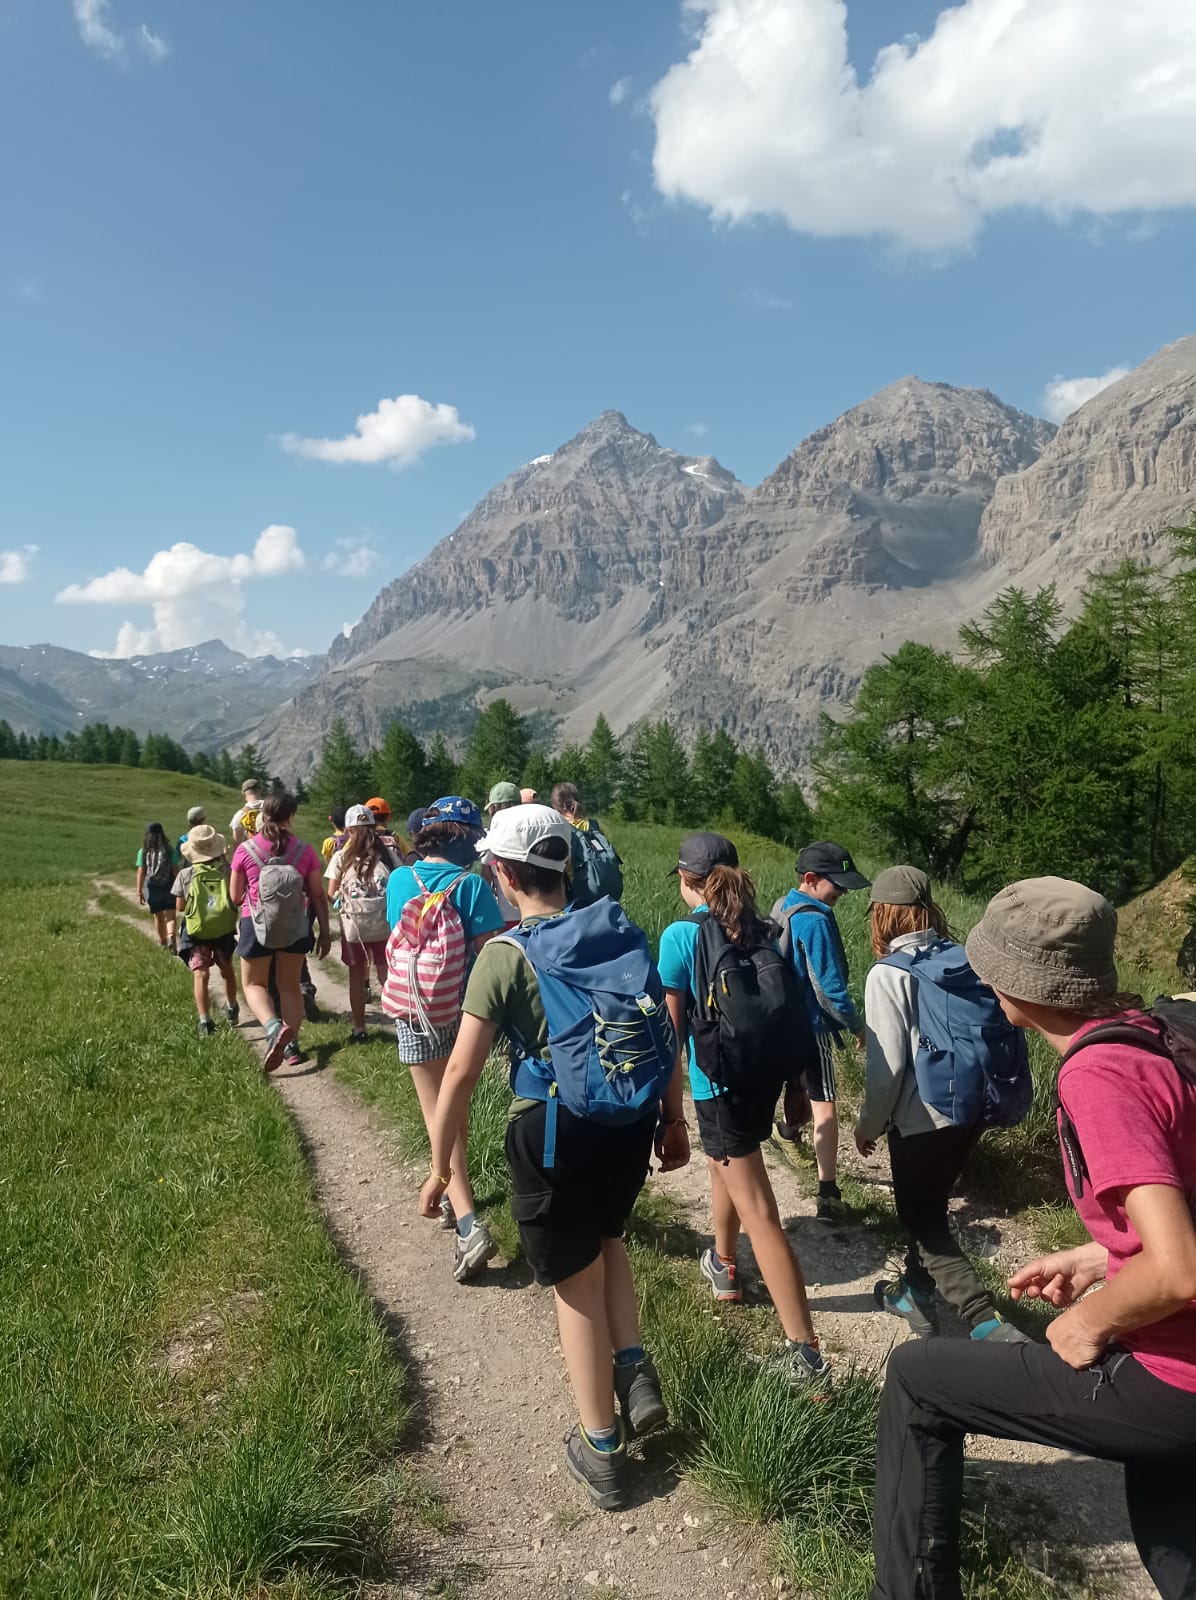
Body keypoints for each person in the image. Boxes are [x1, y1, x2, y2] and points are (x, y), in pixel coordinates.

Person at [870, 877, 1196, 1600]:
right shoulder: (1156, 1036)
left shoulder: (1099, 1074)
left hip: (1176, 1376)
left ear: (1020, 985)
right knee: (1176, 1547)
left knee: (919, 1380)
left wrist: (1088, 1320)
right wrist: (1102, 1255)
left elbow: (1178, 1269)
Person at [419, 804, 688, 1510]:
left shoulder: (505, 956)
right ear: (565, 866)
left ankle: (601, 1447)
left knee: (573, 1281)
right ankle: (633, 1369)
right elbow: (662, 1030)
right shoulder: (618, 928)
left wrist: (441, 1169)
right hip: (627, 1123)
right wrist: (672, 1117)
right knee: (609, 1239)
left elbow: (459, 1073)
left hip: (552, 1132)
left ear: (505, 875)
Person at [658, 832, 829, 1385]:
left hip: (718, 1089)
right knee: (724, 1167)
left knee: (761, 1212)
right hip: (764, 1080)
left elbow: (672, 1037)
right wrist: (799, 1087)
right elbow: (791, 1013)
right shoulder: (765, 929)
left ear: (686, 881)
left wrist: (670, 1115)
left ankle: (805, 1353)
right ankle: (724, 1264)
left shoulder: (682, 937)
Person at [856, 867, 1028, 1343]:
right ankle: (914, 1293)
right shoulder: (964, 958)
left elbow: (886, 1069)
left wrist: (868, 1125)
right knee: (930, 1201)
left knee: (922, 1219)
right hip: (971, 1108)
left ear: (881, 914)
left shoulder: (889, 973)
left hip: (922, 1117)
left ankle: (987, 1324)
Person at [385, 796, 504, 1276]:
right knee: (454, 1109)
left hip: (414, 1009)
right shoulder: (472, 886)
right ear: (467, 841)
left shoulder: (399, 879)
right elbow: (490, 955)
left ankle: (469, 1226)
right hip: (463, 1010)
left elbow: (399, 938)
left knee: (438, 1112)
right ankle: (459, 1198)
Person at [771, 841, 870, 1221]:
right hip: (813, 1027)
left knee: (795, 1085)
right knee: (825, 1103)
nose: (842, 892)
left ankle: (786, 1133)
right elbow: (829, 991)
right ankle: (828, 1194)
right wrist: (857, 1026)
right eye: (837, 885)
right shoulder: (815, 921)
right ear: (811, 879)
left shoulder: (782, 905)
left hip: (781, 1022)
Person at [230, 792, 330, 1072]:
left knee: (254, 985)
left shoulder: (245, 850)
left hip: (255, 924)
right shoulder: (304, 850)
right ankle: (292, 1046)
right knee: (290, 986)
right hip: (294, 925)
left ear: (263, 815)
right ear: (291, 816)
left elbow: (235, 896)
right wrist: (324, 932)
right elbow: (317, 894)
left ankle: (274, 1028)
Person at [327, 803, 398, 1043]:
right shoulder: (387, 856)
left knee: (356, 976)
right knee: (386, 973)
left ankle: (360, 1028)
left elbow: (331, 893)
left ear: (349, 830)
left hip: (354, 927)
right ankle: (401, 1023)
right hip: (384, 923)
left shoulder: (342, 857)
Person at [171, 824, 239, 1037]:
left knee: (200, 975)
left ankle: (205, 1021)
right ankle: (232, 1007)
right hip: (223, 929)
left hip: (197, 931)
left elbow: (180, 907)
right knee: (226, 969)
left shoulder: (186, 874)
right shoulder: (227, 871)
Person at [551, 782, 624, 907]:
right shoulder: (593, 825)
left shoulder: (561, 827)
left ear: (555, 805)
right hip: (607, 896)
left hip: (576, 896)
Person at [136, 822, 181, 948]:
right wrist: (180, 888)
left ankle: (163, 942)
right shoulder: (170, 850)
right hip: (169, 886)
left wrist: (139, 891)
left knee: (158, 916)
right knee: (171, 914)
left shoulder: (143, 852)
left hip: (152, 888)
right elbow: (175, 871)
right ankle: (171, 936)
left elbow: (141, 872)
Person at [483, 782, 522, 926]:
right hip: (537, 911)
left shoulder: (491, 839)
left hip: (506, 916)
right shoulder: (529, 832)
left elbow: (486, 883)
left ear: (493, 808)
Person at [230, 778, 264, 846]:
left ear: (243, 794)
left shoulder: (239, 815)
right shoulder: (272, 808)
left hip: (253, 851)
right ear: (259, 790)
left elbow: (237, 843)